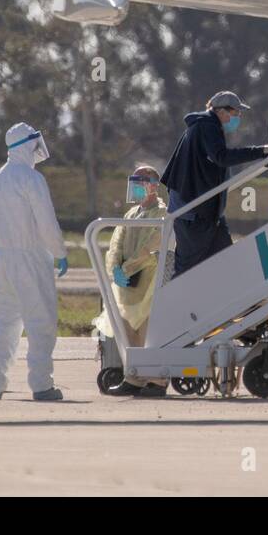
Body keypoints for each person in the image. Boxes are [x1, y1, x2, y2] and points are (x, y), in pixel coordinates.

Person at [0, 123, 68, 401]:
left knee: (5, 324)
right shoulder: (31, 179)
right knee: (40, 322)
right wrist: (60, 252)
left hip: (1, 260)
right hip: (30, 257)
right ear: (28, 144)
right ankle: (41, 385)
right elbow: (46, 222)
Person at [160, 91, 268, 278]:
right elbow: (222, 157)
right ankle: (174, 305)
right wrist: (262, 151)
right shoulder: (207, 125)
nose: (238, 117)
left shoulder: (202, 125)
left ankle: (236, 303)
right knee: (188, 268)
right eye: (236, 113)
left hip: (206, 211)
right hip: (193, 213)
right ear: (222, 111)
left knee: (226, 259)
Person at [97, 165, 169, 398]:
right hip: (126, 286)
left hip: (148, 283)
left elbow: (151, 247)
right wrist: (115, 268)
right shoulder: (131, 214)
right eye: (134, 182)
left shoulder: (162, 214)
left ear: (154, 186)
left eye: (142, 182)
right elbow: (116, 243)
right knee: (128, 332)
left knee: (149, 333)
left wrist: (128, 268)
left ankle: (156, 380)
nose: (136, 187)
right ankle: (134, 378)